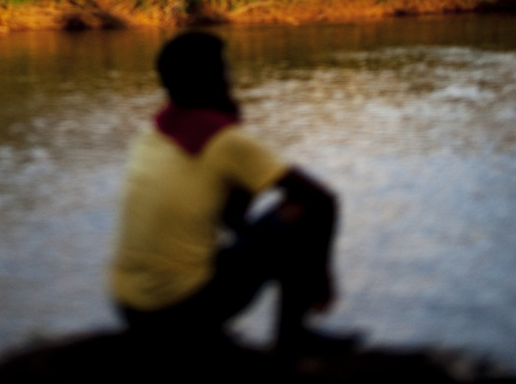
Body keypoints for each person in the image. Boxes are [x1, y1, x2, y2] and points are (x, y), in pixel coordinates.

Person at [110, 31, 354, 356]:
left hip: (131, 309)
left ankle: (218, 332)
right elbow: (321, 200)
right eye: (224, 72)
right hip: (180, 311)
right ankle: (293, 337)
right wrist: (321, 275)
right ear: (211, 80)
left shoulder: (153, 133)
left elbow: (231, 218)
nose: (230, 81)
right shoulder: (224, 140)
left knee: (262, 233)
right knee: (299, 211)